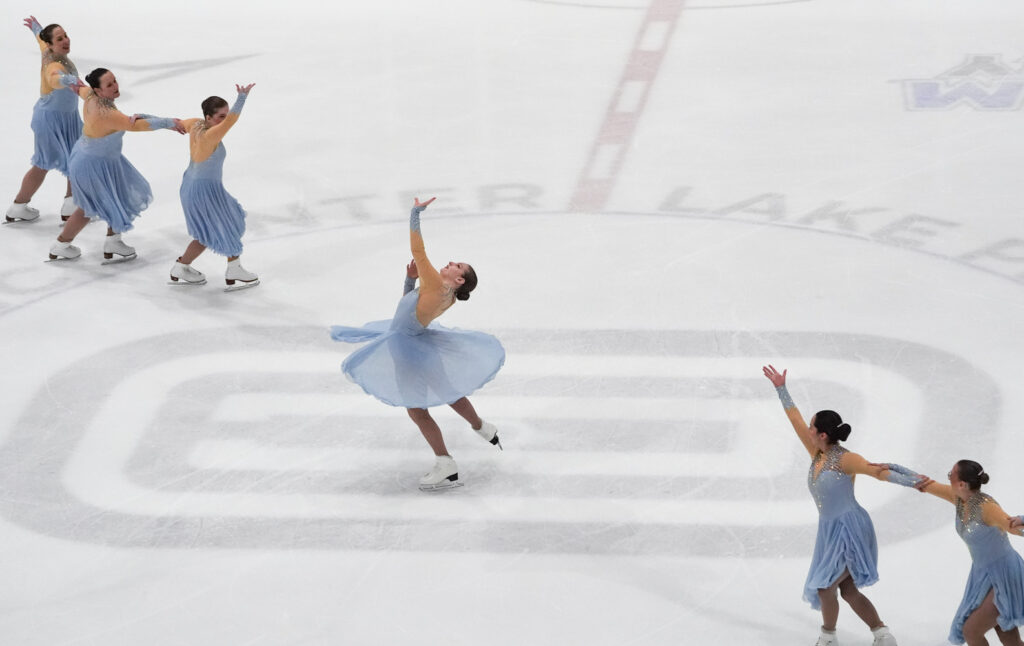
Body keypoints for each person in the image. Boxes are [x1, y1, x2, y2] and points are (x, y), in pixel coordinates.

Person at [330, 197, 505, 491]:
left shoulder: (437, 285)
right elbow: (407, 305)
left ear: (459, 279)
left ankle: (445, 463)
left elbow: (417, 250)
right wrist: (409, 280)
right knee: (447, 392)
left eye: (456, 265)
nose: (449, 263)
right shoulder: (441, 292)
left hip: (408, 350)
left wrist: (414, 214)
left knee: (417, 410)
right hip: (418, 345)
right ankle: (481, 427)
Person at [762, 365, 912, 646]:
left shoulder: (844, 458)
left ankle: (829, 638)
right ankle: (882, 634)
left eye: (811, 426)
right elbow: (795, 420)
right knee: (847, 590)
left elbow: (875, 471)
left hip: (850, 528)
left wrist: (915, 482)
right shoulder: (817, 453)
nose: (806, 429)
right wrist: (781, 389)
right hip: (830, 530)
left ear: (822, 434)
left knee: (824, 586)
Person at [48, 68, 185, 263]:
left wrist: (64, 78)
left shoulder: (90, 95)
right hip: (92, 165)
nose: (115, 87)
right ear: (98, 90)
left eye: (114, 81)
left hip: (102, 159)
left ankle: (113, 241)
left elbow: (77, 87)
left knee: (117, 196)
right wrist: (168, 122)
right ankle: (61, 244)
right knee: (88, 208)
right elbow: (135, 125)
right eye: (109, 85)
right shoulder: (105, 113)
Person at [908, 461, 1024, 645]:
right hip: (984, 576)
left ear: (962, 484)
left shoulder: (987, 507)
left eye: (950, 475)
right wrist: (888, 470)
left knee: (971, 631)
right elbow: (927, 484)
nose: (948, 477)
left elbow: (1013, 528)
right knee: (1009, 638)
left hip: (1005, 575)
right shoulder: (960, 499)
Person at [168, 84, 258, 290]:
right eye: (220, 117)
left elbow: (176, 122)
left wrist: (144, 117)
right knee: (224, 224)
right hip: (202, 192)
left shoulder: (196, 125)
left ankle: (181, 267)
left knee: (210, 231)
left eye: (225, 116)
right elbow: (233, 120)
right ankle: (234, 268)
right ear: (209, 118)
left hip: (196, 186)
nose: (223, 122)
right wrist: (242, 97)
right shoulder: (210, 136)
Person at [6, 16, 84, 223]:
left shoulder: (48, 48)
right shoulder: (53, 65)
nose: (66, 41)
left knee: (76, 157)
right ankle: (18, 206)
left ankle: (71, 203)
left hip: (68, 118)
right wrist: (68, 80)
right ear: (51, 45)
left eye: (65, 36)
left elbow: (40, 39)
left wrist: (36, 28)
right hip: (51, 120)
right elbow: (54, 79)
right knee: (43, 164)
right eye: (59, 39)